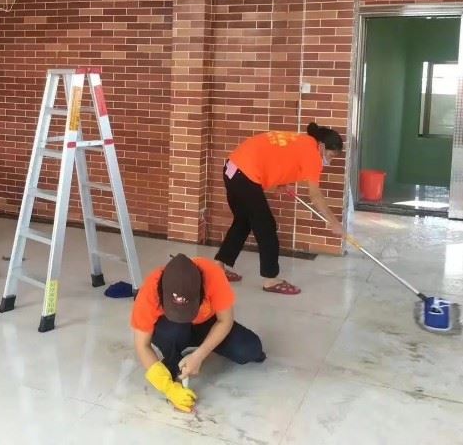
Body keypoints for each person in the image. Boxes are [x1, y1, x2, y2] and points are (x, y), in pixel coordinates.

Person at [214, 122, 344, 295]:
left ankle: (218, 267)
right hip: (245, 174)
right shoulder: (313, 154)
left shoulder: (303, 141)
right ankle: (271, 279)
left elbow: (279, 157)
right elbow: (315, 195)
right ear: (321, 146)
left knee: (243, 222)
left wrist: (282, 183)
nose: (330, 160)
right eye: (330, 155)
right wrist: (333, 222)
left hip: (232, 168)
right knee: (267, 226)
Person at [131, 254, 265, 413]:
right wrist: (168, 388)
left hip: (208, 323)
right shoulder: (150, 289)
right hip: (173, 328)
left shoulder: (213, 275)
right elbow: (142, 345)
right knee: (171, 331)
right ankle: (174, 361)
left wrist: (199, 355)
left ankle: (191, 354)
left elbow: (225, 321)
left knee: (249, 349)